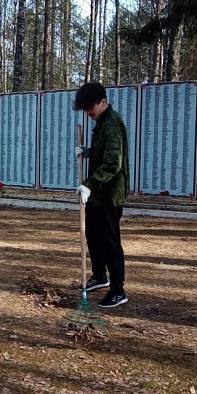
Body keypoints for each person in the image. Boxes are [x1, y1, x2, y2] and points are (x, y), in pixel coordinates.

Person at [73, 82, 130, 308]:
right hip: (97, 194)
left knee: (110, 242)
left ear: (103, 102)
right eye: (85, 109)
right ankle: (99, 276)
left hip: (110, 194)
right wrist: (88, 153)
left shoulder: (112, 124)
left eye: (90, 108)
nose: (88, 113)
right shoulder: (101, 122)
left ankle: (118, 290)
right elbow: (103, 154)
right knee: (93, 236)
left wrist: (89, 183)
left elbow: (113, 164)